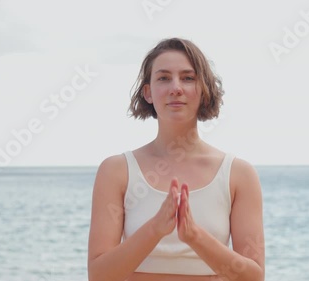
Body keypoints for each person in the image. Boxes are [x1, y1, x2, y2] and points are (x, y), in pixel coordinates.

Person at [87, 37, 265, 281]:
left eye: (188, 78)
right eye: (163, 78)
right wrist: (155, 229)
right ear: (148, 92)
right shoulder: (116, 171)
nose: (176, 88)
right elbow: (99, 276)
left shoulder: (238, 174)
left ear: (203, 90)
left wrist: (194, 237)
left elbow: (254, 277)